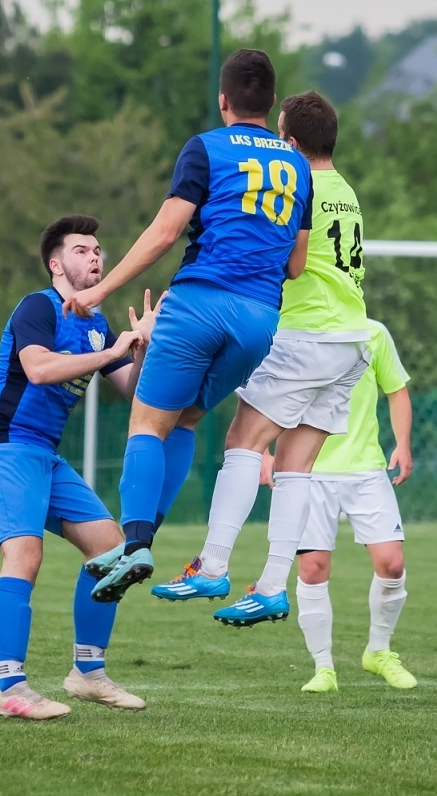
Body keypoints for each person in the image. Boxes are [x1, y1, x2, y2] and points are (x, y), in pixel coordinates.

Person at [63, 50, 313, 605]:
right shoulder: (297, 166)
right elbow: (295, 265)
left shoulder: (205, 148)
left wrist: (99, 291)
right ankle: (143, 538)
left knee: (146, 424)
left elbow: (164, 233)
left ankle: (134, 544)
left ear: (223, 101)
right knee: (186, 419)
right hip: (259, 321)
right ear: (270, 103)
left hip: (199, 302)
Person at [150, 91, 370, 630]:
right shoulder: (346, 190)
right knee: (295, 466)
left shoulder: (298, 181)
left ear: (291, 144)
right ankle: (272, 587)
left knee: (242, 443)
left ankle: (212, 565)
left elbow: (294, 268)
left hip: (308, 334)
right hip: (350, 342)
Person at [0, 215, 163, 720]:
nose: (95, 257)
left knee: (113, 550)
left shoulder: (97, 326)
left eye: (98, 250)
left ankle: (87, 675)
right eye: (81, 250)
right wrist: (112, 352)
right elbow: (39, 369)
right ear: (56, 264)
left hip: (43, 455)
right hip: (0, 447)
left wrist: (145, 348)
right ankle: (8, 688)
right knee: (25, 555)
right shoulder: (38, 306)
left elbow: (135, 391)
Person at [288, 318, 416, 693]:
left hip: (366, 470)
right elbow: (267, 394)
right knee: (312, 568)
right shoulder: (293, 329)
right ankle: (323, 667)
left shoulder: (374, 332)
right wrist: (262, 449)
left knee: (392, 563)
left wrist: (403, 443)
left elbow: (397, 390)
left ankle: (379, 651)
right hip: (308, 469)